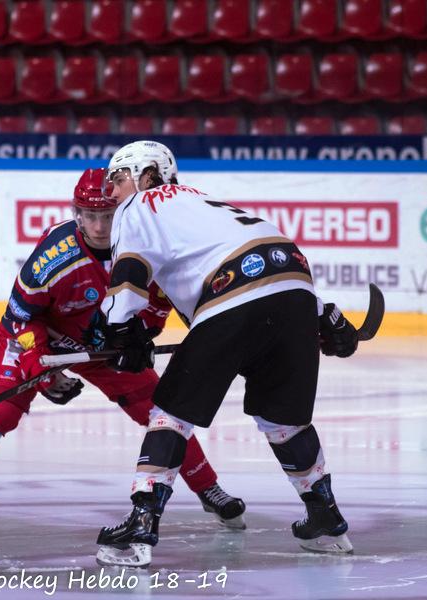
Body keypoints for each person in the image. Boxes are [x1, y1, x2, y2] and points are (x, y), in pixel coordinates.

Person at [0, 168, 247, 543]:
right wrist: (39, 366)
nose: (100, 226)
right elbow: (20, 316)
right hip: (39, 339)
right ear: (77, 214)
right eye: (90, 215)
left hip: (102, 345)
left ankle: (207, 487)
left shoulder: (146, 247)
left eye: (108, 215)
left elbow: (157, 305)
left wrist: (139, 339)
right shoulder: (55, 256)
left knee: (161, 411)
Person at [94, 141, 359, 567]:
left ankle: (142, 520)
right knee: (284, 420)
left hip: (231, 292)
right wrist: (326, 315)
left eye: (119, 177)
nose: (113, 190)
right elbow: (268, 263)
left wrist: (121, 329)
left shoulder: (140, 204)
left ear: (148, 175)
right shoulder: (206, 204)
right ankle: (325, 517)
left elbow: (131, 269)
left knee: (170, 414)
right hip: (294, 284)